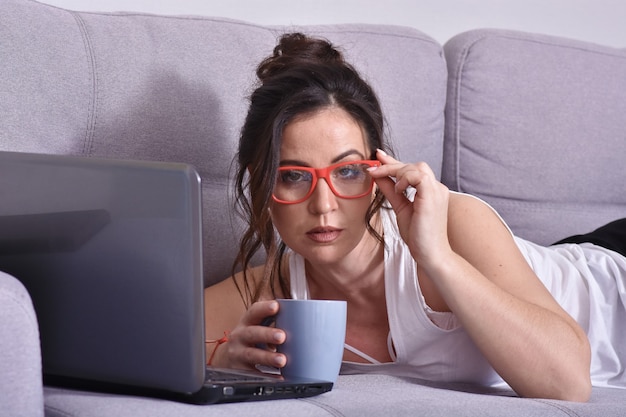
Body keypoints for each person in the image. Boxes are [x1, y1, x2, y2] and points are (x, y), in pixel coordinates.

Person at [204, 32, 626, 402]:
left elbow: (569, 384)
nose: (324, 204)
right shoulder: (265, 293)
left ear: (379, 167)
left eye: (348, 171)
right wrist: (218, 359)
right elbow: (145, 336)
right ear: (260, 183)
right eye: (294, 176)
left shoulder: (451, 222)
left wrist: (437, 256)